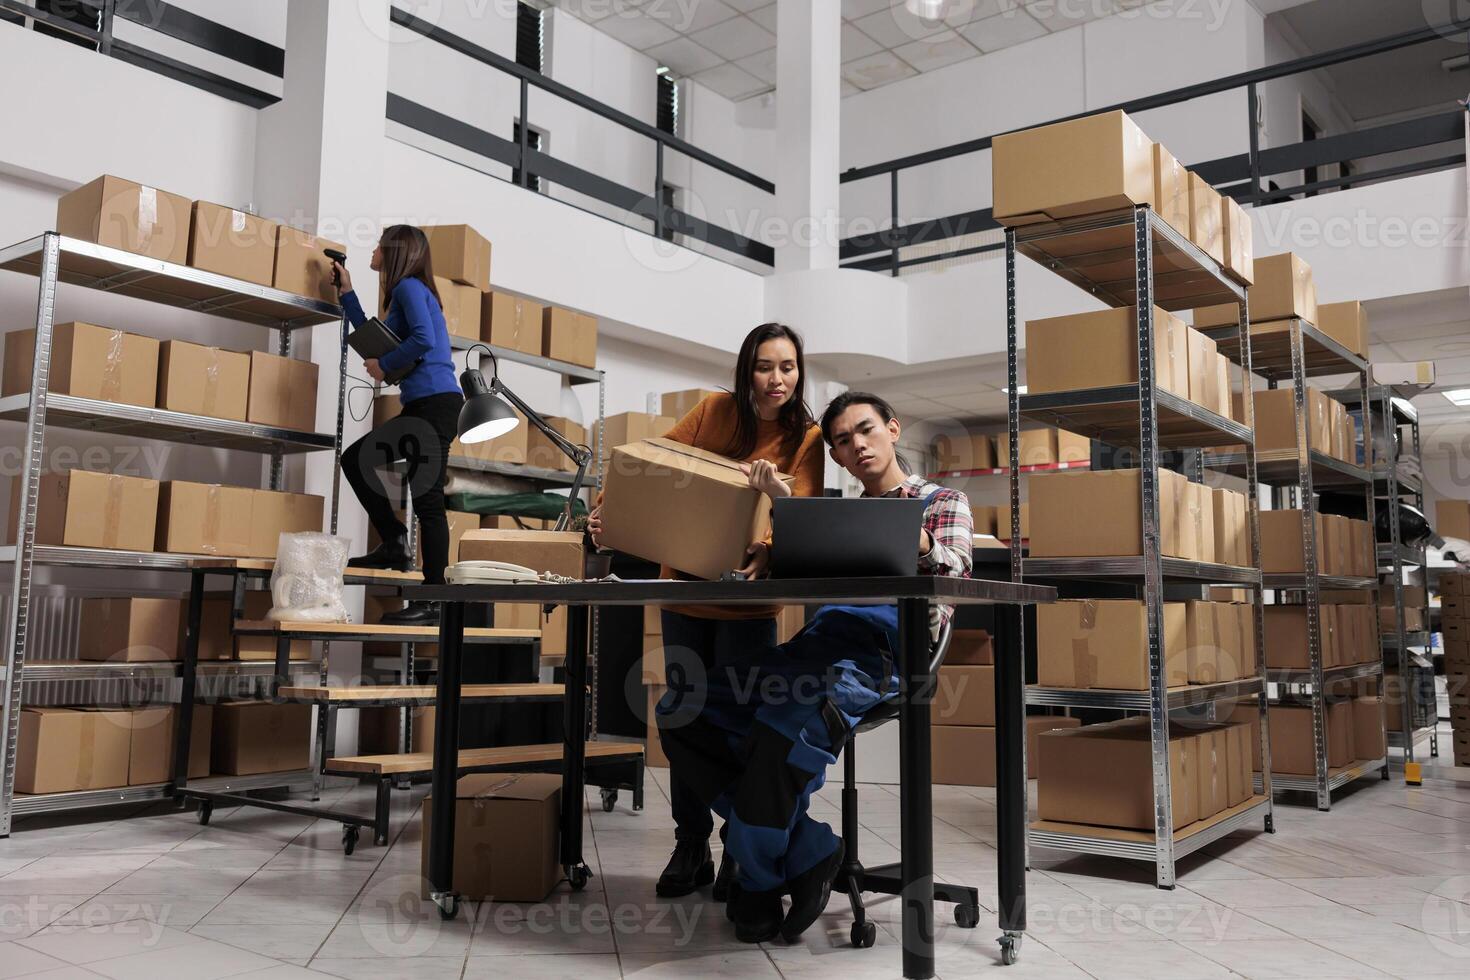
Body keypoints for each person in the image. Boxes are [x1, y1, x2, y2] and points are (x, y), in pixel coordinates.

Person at [657, 392, 973, 944]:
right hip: (814, 649)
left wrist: (907, 532)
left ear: (893, 429)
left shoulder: (941, 501)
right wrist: (783, 522)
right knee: (681, 707)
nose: (857, 445)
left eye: (866, 430)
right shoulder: (830, 514)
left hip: (878, 658)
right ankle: (810, 849)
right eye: (843, 442)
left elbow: (956, 571)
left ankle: (757, 881)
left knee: (780, 732)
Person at [587, 323, 826, 899]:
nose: (777, 380)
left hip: (748, 609)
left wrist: (768, 543)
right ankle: (690, 842)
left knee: (745, 731)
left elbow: (807, 519)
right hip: (686, 599)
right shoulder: (714, 412)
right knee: (684, 721)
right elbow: (653, 463)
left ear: (800, 371)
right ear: (747, 371)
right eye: (765, 367)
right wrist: (606, 510)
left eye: (787, 367)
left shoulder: (807, 436)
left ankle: (741, 846)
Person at [333, 226, 463, 625]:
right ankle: (393, 543)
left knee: (426, 500)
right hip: (425, 406)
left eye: (377, 244)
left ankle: (434, 600)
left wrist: (385, 366)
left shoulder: (407, 287)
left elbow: (421, 339)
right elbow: (382, 338)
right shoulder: (406, 293)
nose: (372, 250)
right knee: (358, 459)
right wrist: (348, 293)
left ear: (395, 252)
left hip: (435, 405)